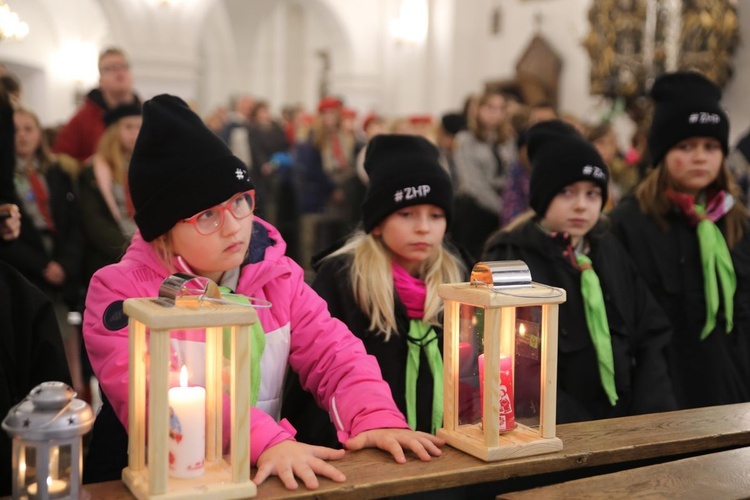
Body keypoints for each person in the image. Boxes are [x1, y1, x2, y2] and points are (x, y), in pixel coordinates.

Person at [82, 95, 443, 489]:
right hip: (147, 477)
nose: (235, 226)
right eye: (207, 215)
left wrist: (373, 416)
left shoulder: (275, 275)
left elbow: (334, 354)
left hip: (253, 468)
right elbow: (154, 394)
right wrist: (264, 438)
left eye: (240, 202)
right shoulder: (121, 292)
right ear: (165, 230)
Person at [482, 120, 676, 423]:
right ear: (543, 196)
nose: (581, 206)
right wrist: (578, 430)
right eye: (567, 193)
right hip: (557, 427)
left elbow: (650, 331)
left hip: (626, 422)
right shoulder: (510, 257)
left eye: (592, 194)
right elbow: (516, 363)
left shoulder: (607, 248)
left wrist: (650, 415)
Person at [283, 134, 468, 447]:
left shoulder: (460, 273)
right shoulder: (343, 277)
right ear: (378, 222)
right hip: (364, 442)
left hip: (444, 443)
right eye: (406, 214)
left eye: (435, 215)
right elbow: (318, 374)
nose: (423, 227)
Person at [609, 71, 750, 409]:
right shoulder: (628, 224)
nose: (700, 157)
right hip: (666, 396)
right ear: (662, 153)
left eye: (711, 146)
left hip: (732, 391)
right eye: (686, 146)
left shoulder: (735, 220)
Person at [0, 107, 84, 397]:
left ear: (40, 133)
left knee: (68, 335)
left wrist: (65, 264)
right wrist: (42, 265)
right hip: (27, 265)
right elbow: (9, 232)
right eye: (15, 129)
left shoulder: (57, 172)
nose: (22, 136)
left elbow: (74, 222)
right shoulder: (6, 178)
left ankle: (72, 397)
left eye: (29, 129)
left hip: (60, 261)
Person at [77, 103, 142, 283]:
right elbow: (94, 220)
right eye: (128, 127)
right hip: (110, 254)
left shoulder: (146, 167)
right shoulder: (95, 170)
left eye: (140, 127)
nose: (135, 133)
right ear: (113, 131)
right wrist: (126, 250)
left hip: (144, 252)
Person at [53, 47, 140, 164]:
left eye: (124, 66)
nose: (120, 73)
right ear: (101, 80)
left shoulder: (147, 113)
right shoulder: (83, 117)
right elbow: (61, 156)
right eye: (111, 68)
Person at [452, 89, 511, 261]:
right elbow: (473, 183)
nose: (496, 113)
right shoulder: (465, 139)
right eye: (490, 107)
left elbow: (510, 174)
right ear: (478, 109)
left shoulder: (506, 139)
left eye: (500, 108)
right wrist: (502, 209)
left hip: (502, 210)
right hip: (475, 211)